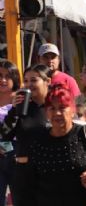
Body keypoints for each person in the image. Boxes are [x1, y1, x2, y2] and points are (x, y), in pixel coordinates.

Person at [28, 83, 86, 205]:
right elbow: (30, 180)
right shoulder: (38, 140)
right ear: (46, 112)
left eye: (62, 107)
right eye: (52, 108)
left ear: (72, 110)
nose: (57, 113)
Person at [0, 64, 52, 205]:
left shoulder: (56, 107)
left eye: (34, 80)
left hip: (51, 173)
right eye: (26, 80)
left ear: (48, 81)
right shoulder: (22, 107)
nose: (29, 84)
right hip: (24, 175)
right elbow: (5, 135)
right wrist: (14, 112)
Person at [0, 60, 20, 206]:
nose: (3, 80)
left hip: (16, 153)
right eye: (0, 75)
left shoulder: (21, 99)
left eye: (7, 76)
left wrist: (3, 147)